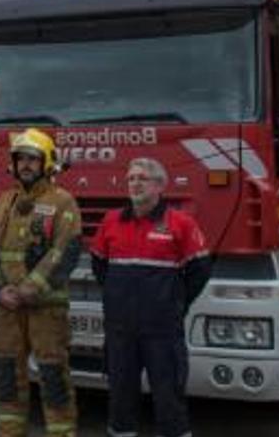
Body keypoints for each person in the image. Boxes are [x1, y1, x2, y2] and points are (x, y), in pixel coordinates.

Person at [90, 158, 211, 437]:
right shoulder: (111, 221)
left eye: (142, 178)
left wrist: (175, 303)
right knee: (120, 397)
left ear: (160, 185)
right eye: (131, 178)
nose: (135, 183)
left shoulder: (180, 223)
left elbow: (200, 270)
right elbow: (99, 265)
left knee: (169, 397)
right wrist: (117, 296)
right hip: (121, 329)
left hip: (162, 330)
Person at [0, 128, 82, 437]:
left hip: (45, 310)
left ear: (47, 163)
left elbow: (64, 252)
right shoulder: (4, 201)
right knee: (9, 380)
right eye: (20, 158)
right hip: (6, 310)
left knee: (53, 380)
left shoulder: (63, 201)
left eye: (32, 159)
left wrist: (28, 289)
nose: (25, 164)